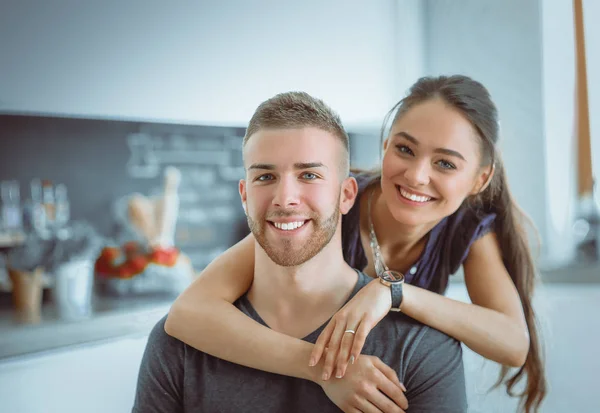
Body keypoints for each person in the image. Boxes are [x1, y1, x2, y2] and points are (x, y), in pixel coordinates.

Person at [165, 75, 547, 412]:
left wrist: (393, 294)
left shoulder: (467, 227)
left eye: (445, 164)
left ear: (479, 180)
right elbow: (188, 313)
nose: (416, 175)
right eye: (404, 149)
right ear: (384, 146)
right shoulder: (326, 209)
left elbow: (512, 343)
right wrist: (322, 369)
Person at [133, 91, 468, 413]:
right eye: (265, 176)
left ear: (347, 194)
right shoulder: (179, 344)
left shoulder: (422, 347)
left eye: (309, 175)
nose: (284, 198)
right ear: (245, 194)